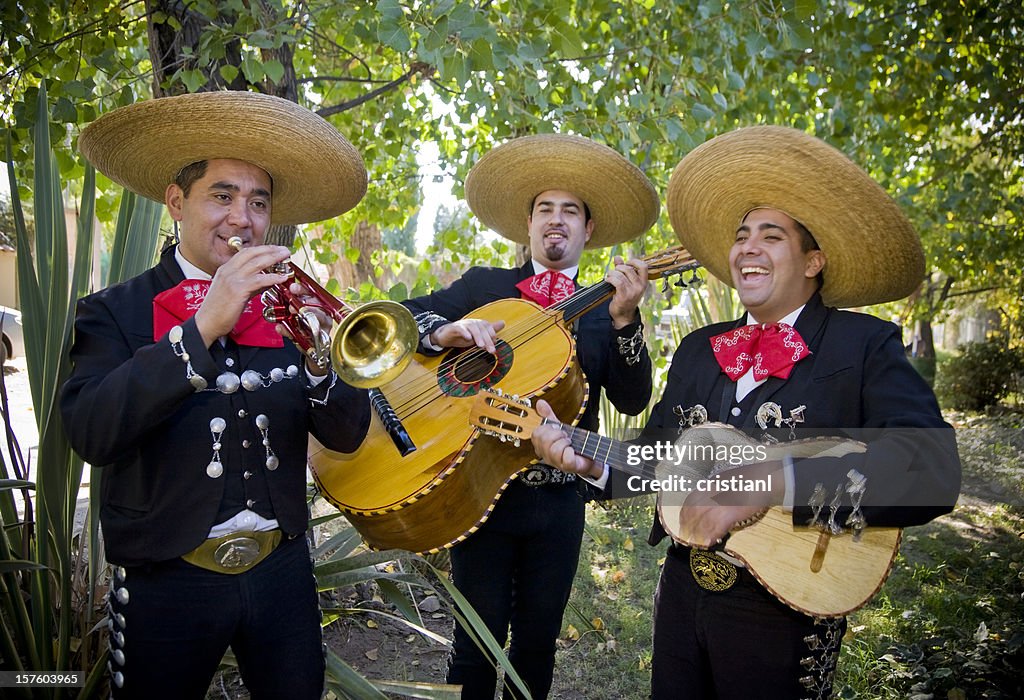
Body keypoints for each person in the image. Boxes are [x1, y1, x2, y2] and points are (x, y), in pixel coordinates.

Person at [530, 126, 962, 699]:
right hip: (683, 592)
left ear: (814, 262)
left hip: (791, 605)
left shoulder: (863, 345)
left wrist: (777, 479)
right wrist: (588, 462)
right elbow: (659, 457)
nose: (747, 247)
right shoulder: (698, 349)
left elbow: (931, 468)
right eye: (740, 235)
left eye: (771, 235)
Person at [61, 91, 372, 699]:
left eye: (258, 203)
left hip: (281, 572)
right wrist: (201, 329)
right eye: (222, 197)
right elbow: (91, 433)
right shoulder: (113, 312)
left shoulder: (287, 310)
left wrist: (317, 361)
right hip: (165, 580)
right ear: (176, 203)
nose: (243, 219)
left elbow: (347, 434)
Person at [403, 134, 659, 699]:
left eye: (571, 211)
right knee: (474, 644)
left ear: (588, 231)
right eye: (546, 208)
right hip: (481, 487)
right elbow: (408, 320)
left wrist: (625, 322)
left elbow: (634, 399)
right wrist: (446, 331)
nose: (557, 220)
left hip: (559, 498)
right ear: (529, 223)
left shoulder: (604, 308)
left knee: (537, 645)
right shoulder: (484, 287)